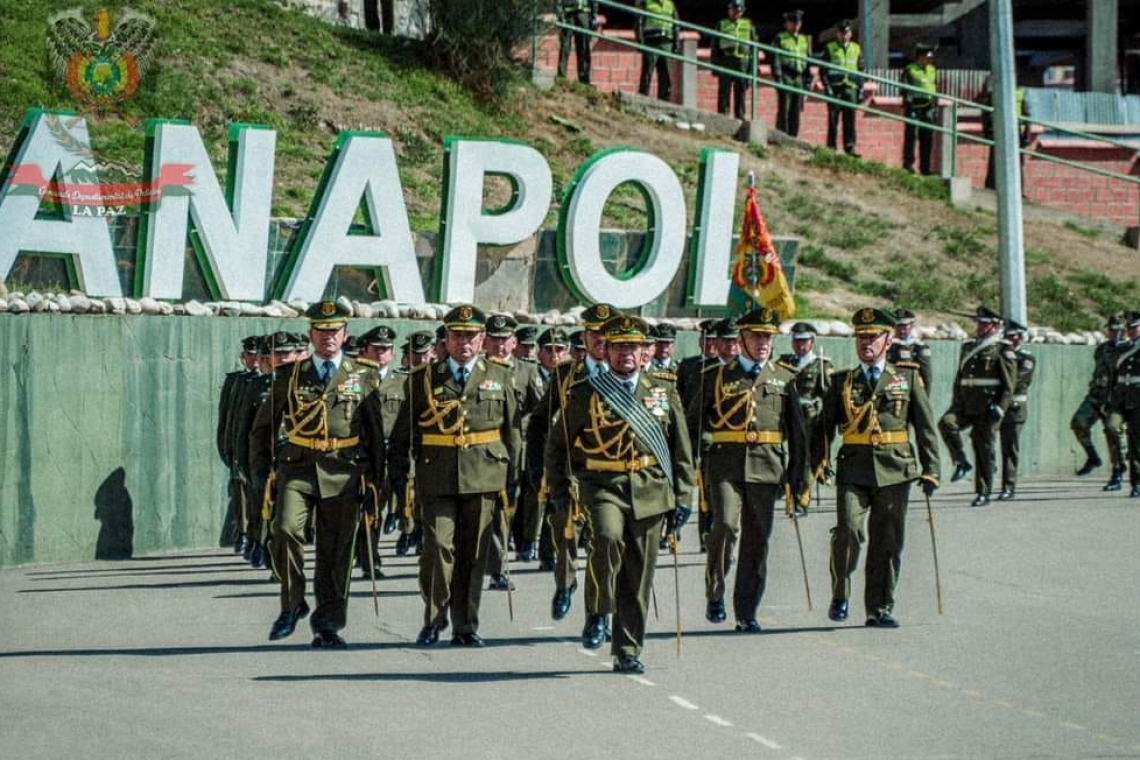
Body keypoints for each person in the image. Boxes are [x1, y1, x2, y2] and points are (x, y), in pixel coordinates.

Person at [546, 314, 694, 672]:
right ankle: (598, 611)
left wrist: (684, 496)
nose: (626, 353)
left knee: (638, 573)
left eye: (633, 346)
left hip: (650, 488)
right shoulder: (586, 392)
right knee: (607, 537)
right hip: (603, 485)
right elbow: (558, 445)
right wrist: (560, 489)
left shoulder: (663, 390)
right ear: (607, 351)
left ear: (644, 352)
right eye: (619, 346)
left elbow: (681, 448)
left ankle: (628, 649)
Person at [249, 302, 387, 648]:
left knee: (336, 551)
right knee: (285, 530)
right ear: (311, 334)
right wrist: (260, 472)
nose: (328, 337)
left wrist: (377, 482)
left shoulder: (364, 374)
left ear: (345, 334)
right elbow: (263, 428)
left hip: (345, 469)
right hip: (299, 466)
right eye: (321, 331)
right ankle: (293, 602)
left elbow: (374, 432)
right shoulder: (290, 375)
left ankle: (328, 624)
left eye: (334, 330)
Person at [388, 305, 521, 647]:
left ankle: (465, 625)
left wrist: (512, 476)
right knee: (436, 548)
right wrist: (399, 474)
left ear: (482, 339)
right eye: (457, 336)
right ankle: (434, 619)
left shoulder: (501, 375)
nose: (464, 342)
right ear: (445, 340)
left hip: (485, 475)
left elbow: (512, 431)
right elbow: (404, 432)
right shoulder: (422, 379)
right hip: (437, 475)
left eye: (471, 336)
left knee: (473, 554)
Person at [814, 308, 940, 628]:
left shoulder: (906, 378)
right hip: (854, 469)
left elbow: (925, 426)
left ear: (888, 341)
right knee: (848, 531)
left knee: (887, 541)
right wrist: (819, 461)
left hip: (895, 470)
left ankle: (879, 608)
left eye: (872, 337)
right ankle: (841, 591)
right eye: (861, 338)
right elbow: (823, 428)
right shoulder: (842, 381)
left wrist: (932, 469)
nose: (866, 343)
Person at [694, 307, 807, 631]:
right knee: (725, 526)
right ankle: (715, 590)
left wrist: (799, 477)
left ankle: (746, 612)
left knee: (757, 540)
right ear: (741, 339)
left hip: (767, 468)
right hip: (725, 467)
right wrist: (687, 466)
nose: (763, 343)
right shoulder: (716, 377)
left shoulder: (784, 378)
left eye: (768, 337)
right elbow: (692, 424)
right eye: (756, 336)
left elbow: (797, 432)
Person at [530, 303, 615, 629]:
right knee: (564, 528)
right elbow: (540, 421)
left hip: (610, 470)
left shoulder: (625, 374)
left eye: (606, 334)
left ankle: (600, 611)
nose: (600, 340)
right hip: (571, 467)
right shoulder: (567, 375)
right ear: (585, 337)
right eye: (594, 334)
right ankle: (566, 583)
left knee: (604, 540)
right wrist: (538, 465)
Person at [482, 314, 544, 587]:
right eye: (494, 339)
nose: (499, 345)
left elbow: (540, 409)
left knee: (506, 508)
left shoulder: (526, 371)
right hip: (481, 450)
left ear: (514, 342)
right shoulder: (477, 370)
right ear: (485, 341)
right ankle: (483, 565)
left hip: (514, 450)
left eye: (504, 340)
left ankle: (500, 565)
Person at [938, 305, 1016, 507]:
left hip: (987, 408)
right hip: (966, 404)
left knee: (984, 450)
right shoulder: (968, 347)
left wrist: (1000, 408)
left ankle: (984, 492)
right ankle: (961, 461)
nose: (980, 327)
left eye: (984, 324)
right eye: (979, 323)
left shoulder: (1003, 349)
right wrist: (956, 403)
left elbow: (1009, 386)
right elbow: (960, 379)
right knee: (946, 423)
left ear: (995, 326)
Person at [353, 324, 402, 576]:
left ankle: (368, 556)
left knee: (377, 507)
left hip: (390, 453)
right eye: (376, 349)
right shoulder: (354, 380)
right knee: (362, 507)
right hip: (361, 454)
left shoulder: (401, 382)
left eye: (386, 349)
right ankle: (367, 558)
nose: (381, 353)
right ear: (365, 351)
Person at [525, 328, 570, 571]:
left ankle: (554, 552)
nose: (555, 355)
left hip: (567, 448)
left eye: (560, 350)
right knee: (541, 501)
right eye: (550, 350)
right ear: (539, 352)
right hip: (543, 446)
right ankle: (539, 549)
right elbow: (536, 420)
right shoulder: (530, 375)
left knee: (559, 504)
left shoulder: (573, 375)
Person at [777, 322, 832, 514]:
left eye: (804, 341)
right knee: (792, 456)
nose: (800, 345)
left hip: (809, 418)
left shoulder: (821, 365)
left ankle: (802, 496)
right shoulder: (784, 363)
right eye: (797, 341)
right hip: (787, 416)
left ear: (812, 342)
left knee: (806, 458)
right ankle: (789, 491)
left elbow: (828, 395)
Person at [1071, 315, 1128, 482]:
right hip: (1096, 395)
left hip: (1115, 398)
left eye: (1118, 330)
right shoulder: (1102, 349)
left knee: (1112, 432)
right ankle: (1092, 457)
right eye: (1112, 330)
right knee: (1078, 423)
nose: (1115, 333)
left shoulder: (1128, 349)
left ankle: (1118, 469)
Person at [395, 330, 436, 557]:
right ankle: (407, 529)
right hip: (412, 445)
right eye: (416, 354)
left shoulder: (437, 377)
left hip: (433, 448)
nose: (421, 358)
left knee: (424, 493)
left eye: (424, 353)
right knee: (407, 492)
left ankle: (419, 531)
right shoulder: (406, 379)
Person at [218, 335, 260, 554]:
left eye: (257, 355)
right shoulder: (236, 381)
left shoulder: (270, 381)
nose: (253, 359)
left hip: (261, 445)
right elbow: (227, 415)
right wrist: (226, 445)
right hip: (239, 443)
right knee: (240, 488)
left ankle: (257, 534)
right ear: (243, 357)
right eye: (249, 355)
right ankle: (243, 532)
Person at [998, 321, 1035, 501]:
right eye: (1007, 335)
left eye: (1013, 336)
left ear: (1020, 337)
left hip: (1014, 408)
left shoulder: (1026, 358)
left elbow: (1017, 380)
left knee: (1009, 448)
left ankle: (1008, 486)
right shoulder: (1000, 354)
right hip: (997, 406)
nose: (1009, 339)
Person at [1105, 311, 1140, 498]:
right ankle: (1119, 464)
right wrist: (1108, 397)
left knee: (1136, 441)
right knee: (1111, 426)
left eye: (1135, 327)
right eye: (1130, 328)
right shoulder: (1122, 349)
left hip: (1138, 399)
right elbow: (1112, 375)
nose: (1132, 331)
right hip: (1120, 398)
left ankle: (1137, 483)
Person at [980, 75, 1032, 191]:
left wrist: (1027, 133)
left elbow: (1026, 114)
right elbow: (986, 112)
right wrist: (987, 130)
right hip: (1003, 129)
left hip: (1011, 130)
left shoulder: (1019, 90)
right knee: (1000, 160)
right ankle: (994, 188)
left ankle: (1014, 190)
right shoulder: (995, 88)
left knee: (1011, 161)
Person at [821, 19, 864, 156]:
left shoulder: (856, 48)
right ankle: (831, 147)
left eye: (846, 32)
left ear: (850, 34)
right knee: (833, 119)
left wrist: (860, 89)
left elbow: (860, 71)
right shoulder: (830, 48)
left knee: (850, 120)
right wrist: (827, 87)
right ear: (837, 34)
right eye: (841, 32)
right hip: (835, 88)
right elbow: (823, 70)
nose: (844, 35)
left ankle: (849, 147)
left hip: (850, 88)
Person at [712, 1, 756, 121]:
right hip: (726, 60)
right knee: (724, 90)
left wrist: (752, 69)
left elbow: (754, 48)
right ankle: (723, 116)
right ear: (729, 10)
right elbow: (715, 46)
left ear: (742, 11)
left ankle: (740, 116)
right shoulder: (721, 24)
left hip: (742, 62)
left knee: (741, 90)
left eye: (738, 10)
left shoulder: (748, 25)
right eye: (733, 9)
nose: (735, 12)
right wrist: (714, 65)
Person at [772, 9, 810, 137]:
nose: (796, 25)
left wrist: (807, 80)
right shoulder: (780, 37)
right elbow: (774, 57)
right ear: (786, 24)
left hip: (799, 77)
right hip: (786, 74)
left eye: (798, 22)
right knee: (784, 107)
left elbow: (807, 60)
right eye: (793, 22)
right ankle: (781, 134)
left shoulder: (804, 39)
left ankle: (793, 136)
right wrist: (778, 76)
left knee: (796, 108)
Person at [902, 44, 939, 175]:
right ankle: (908, 164)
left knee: (927, 138)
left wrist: (935, 105)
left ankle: (925, 168)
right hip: (914, 107)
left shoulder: (932, 69)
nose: (930, 60)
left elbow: (935, 87)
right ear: (920, 57)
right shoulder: (910, 69)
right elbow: (904, 88)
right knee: (911, 137)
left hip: (928, 107)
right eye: (927, 57)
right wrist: (909, 103)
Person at [637, 0, 678, 101]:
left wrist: (676, 42)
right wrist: (640, 41)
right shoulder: (646, 3)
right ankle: (643, 98)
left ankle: (664, 100)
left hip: (666, 43)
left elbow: (676, 24)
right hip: (651, 42)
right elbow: (639, 23)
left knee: (665, 73)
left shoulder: (670, 4)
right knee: (647, 72)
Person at [887, 309, 932, 390]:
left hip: (912, 388)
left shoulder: (918, 346)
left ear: (912, 326)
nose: (902, 330)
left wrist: (925, 395)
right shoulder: (888, 345)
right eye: (899, 326)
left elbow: (926, 375)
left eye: (905, 326)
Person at [557, 0, 598, 85]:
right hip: (568, 12)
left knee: (584, 46)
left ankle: (584, 80)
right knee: (565, 46)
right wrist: (560, 13)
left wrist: (594, 15)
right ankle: (561, 77)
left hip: (584, 12)